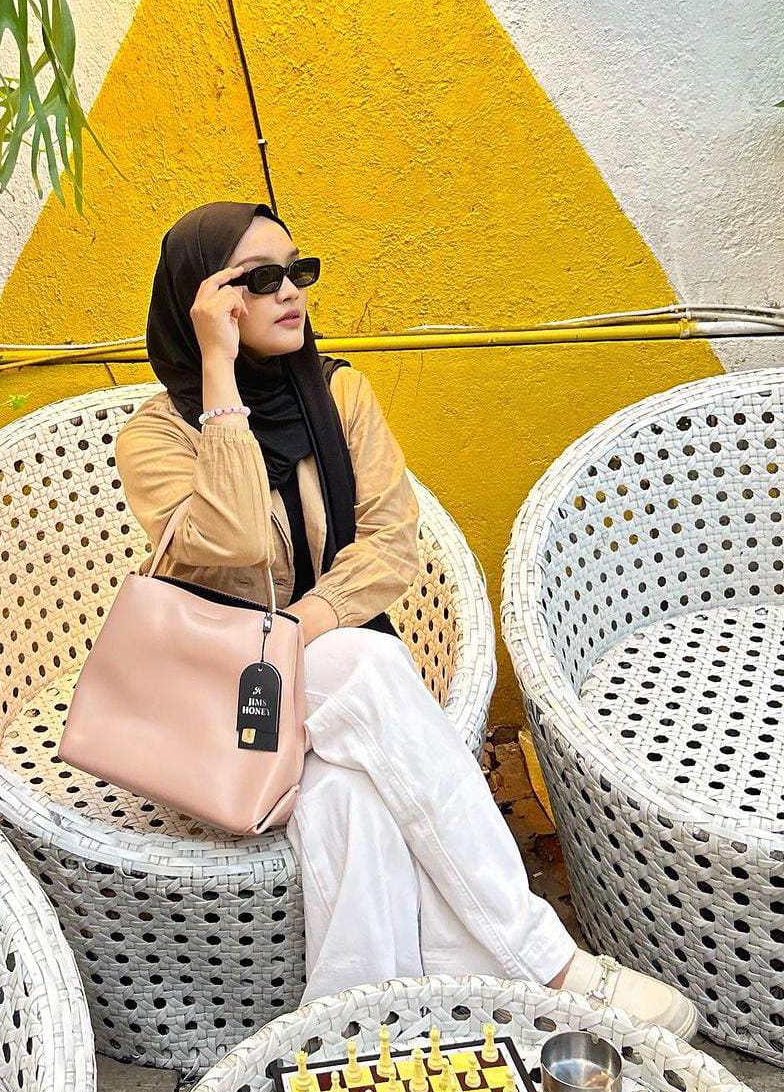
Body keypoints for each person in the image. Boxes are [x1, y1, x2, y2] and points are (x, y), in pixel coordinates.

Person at [114, 199, 698, 1038]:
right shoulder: (157, 439)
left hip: (322, 686)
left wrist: (301, 629)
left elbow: (390, 543)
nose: (291, 292)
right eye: (260, 278)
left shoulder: (341, 394)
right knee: (370, 665)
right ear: (202, 300)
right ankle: (548, 963)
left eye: (298, 271)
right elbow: (236, 538)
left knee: (351, 800)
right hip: (226, 706)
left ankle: (357, 1034)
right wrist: (219, 378)